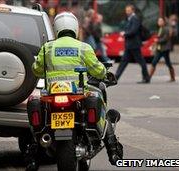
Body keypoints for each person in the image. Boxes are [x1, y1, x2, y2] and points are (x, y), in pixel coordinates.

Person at [26, 12, 123, 170]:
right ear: (75, 28)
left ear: (56, 29)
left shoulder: (48, 48)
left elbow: (36, 69)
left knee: (39, 120)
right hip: (77, 96)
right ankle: (113, 150)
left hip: (52, 95)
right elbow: (97, 70)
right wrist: (105, 74)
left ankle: (32, 158)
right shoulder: (83, 47)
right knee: (100, 105)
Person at [115, 4, 150, 83]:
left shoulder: (135, 19)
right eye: (126, 10)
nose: (127, 12)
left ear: (133, 11)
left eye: (128, 11)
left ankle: (146, 78)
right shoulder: (130, 19)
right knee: (123, 61)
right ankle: (115, 78)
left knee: (141, 61)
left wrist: (124, 34)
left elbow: (133, 31)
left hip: (134, 45)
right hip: (130, 45)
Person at [149, 17, 175, 82]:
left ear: (164, 22)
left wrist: (157, 41)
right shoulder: (159, 29)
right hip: (159, 49)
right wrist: (155, 44)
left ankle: (172, 77)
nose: (159, 22)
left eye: (161, 21)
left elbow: (165, 39)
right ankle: (148, 77)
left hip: (165, 49)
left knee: (168, 63)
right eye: (159, 21)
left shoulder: (166, 29)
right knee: (154, 62)